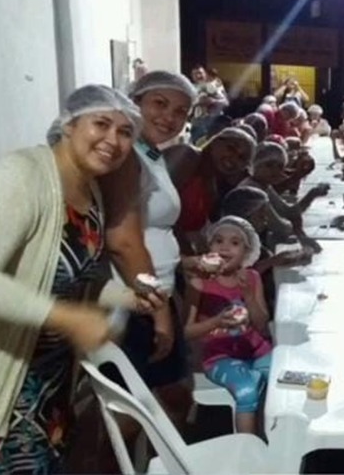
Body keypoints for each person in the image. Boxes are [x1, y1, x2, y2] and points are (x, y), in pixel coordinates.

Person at [0, 85, 150, 473]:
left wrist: (130, 297)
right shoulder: (19, 177)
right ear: (69, 124)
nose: (113, 140)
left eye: (125, 132)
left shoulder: (90, 191)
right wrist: (65, 318)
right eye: (101, 124)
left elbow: (75, 278)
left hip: (49, 382)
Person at [100, 71, 198, 430]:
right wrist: (159, 313)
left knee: (172, 396)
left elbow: (151, 230)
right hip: (136, 299)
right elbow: (123, 241)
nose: (169, 117)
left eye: (181, 111)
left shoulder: (149, 155)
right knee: (128, 416)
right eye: (159, 104)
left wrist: (183, 262)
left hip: (155, 291)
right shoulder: (127, 158)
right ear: (134, 102)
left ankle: (155, 458)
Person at [183, 216, 272, 435]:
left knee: (282, 384)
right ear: (209, 247)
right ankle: (247, 450)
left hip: (257, 351)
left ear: (246, 251)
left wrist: (249, 296)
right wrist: (217, 322)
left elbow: (261, 325)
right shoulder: (199, 283)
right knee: (246, 391)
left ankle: (270, 440)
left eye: (235, 243)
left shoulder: (252, 277)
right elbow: (186, 332)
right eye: (218, 241)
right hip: (219, 358)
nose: (225, 247)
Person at [165, 127, 256, 255]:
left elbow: (192, 231)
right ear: (215, 142)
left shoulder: (212, 187)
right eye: (231, 148)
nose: (233, 158)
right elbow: (158, 205)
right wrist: (187, 251)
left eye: (241, 158)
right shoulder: (188, 156)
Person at [191, 65, 229, 143]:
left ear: (205, 74)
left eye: (200, 73)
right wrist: (196, 103)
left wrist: (212, 101)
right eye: (195, 74)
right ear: (192, 76)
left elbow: (226, 103)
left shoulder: (215, 86)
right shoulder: (191, 88)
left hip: (214, 121)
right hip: (197, 122)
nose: (198, 76)